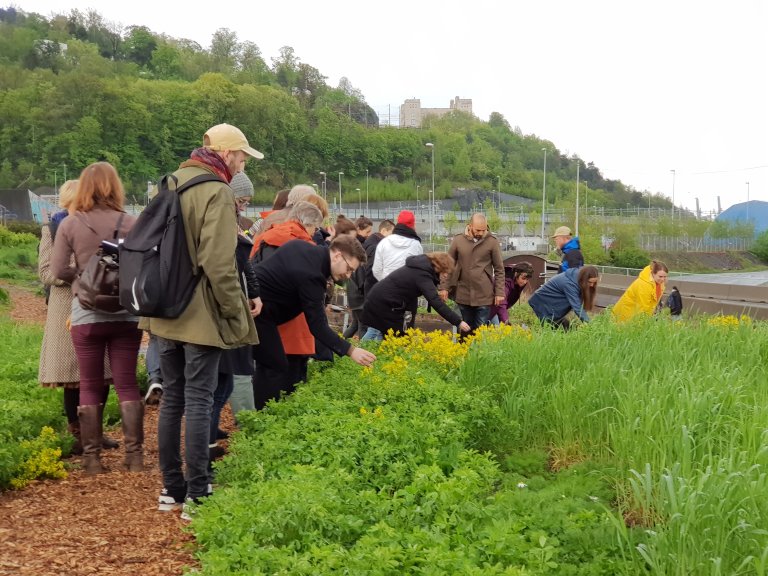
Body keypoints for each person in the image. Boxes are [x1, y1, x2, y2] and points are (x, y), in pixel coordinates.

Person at [145, 123, 261, 519]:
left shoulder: (170, 182)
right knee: (199, 399)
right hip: (200, 313)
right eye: (243, 156)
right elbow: (218, 263)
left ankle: (171, 489)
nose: (243, 163)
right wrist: (234, 309)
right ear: (227, 154)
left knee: (173, 400)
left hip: (164, 311)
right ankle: (198, 493)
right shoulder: (217, 191)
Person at [50, 163, 142, 474]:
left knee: (88, 382)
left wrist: (85, 276)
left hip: (86, 312)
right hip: (126, 313)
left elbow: (58, 269)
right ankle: (135, 458)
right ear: (116, 188)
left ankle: (91, 460)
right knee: (127, 382)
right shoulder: (132, 222)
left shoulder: (70, 224)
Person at [38, 179, 119, 455]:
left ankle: (95, 431)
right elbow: (46, 272)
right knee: (74, 376)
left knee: (103, 372)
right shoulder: (52, 228)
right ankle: (78, 432)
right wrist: (78, 272)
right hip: (65, 309)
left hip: (98, 304)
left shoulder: (96, 228)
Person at [252, 235, 377, 375]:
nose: (348, 276)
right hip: (256, 312)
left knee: (265, 365)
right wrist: (351, 351)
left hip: (255, 306)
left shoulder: (302, 247)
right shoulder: (313, 275)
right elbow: (317, 326)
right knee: (273, 368)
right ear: (337, 256)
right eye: (349, 269)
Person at [249, 201, 326, 408]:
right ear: (308, 225)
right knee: (292, 377)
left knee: (266, 371)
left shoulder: (265, 237)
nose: (314, 233)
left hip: (263, 315)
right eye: (315, 228)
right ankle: (281, 419)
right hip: (296, 321)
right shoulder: (306, 247)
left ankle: (261, 418)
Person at [361, 252, 470, 341]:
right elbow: (435, 301)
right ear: (439, 266)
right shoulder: (422, 274)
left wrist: (409, 325)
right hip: (384, 304)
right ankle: (362, 357)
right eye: (445, 272)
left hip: (383, 301)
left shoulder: (420, 268)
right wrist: (458, 321)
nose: (446, 275)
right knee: (392, 338)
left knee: (391, 337)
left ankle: (377, 360)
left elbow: (411, 296)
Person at [440, 213, 505, 331]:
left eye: (483, 230)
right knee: (465, 329)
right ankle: (464, 349)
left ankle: (479, 350)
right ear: (470, 226)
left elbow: (499, 269)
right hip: (463, 293)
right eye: (478, 230)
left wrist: (499, 292)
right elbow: (447, 265)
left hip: (484, 295)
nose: (481, 233)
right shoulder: (458, 240)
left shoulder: (492, 242)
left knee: (481, 331)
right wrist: (444, 287)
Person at [528, 265, 600, 327]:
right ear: (584, 278)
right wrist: (590, 324)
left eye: (594, 283)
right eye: (590, 282)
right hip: (542, 304)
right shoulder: (569, 284)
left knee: (568, 330)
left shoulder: (578, 278)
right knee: (550, 332)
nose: (591, 285)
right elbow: (577, 306)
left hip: (552, 307)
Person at [343, 217, 373, 339]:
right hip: (358, 292)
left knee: (355, 323)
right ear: (359, 229)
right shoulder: (358, 246)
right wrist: (364, 289)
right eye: (367, 231)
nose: (369, 235)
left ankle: (338, 345)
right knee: (363, 325)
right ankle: (363, 351)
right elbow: (359, 272)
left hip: (352, 291)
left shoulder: (351, 243)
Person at [372, 210, 423, 281]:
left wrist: (384, 282)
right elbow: (419, 269)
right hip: (408, 287)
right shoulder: (416, 244)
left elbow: (376, 270)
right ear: (413, 225)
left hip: (387, 287)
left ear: (398, 223)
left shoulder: (384, 242)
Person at [363, 219, 395, 296]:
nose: (394, 237)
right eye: (392, 233)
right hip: (374, 290)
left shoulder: (370, 242)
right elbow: (372, 272)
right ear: (384, 231)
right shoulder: (377, 247)